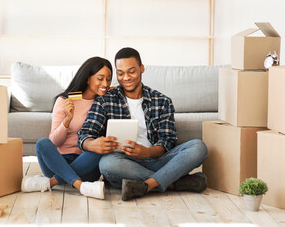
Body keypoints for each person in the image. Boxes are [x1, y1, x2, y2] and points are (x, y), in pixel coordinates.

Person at [78, 48, 208, 201]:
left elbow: (168, 141)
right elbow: (85, 133)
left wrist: (146, 152)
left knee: (198, 147)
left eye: (131, 71)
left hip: (158, 160)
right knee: (107, 164)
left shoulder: (162, 101)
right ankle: (173, 182)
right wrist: (90, 144)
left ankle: (146, 185)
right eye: (120, 74)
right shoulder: (106, 100)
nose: (126, 77)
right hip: (125, 163)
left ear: (142, 68)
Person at [21, 56, 116, 200]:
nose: (105, 83)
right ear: (87, 78)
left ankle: (51, 182)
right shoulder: (67, 100)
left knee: (100, 148)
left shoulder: (105, 101)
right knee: (42, 143)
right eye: (100, 78)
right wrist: (67, 119)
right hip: (58, 162)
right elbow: (54, 142)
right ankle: (81, 186)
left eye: (108, 79)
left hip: (87, 165)